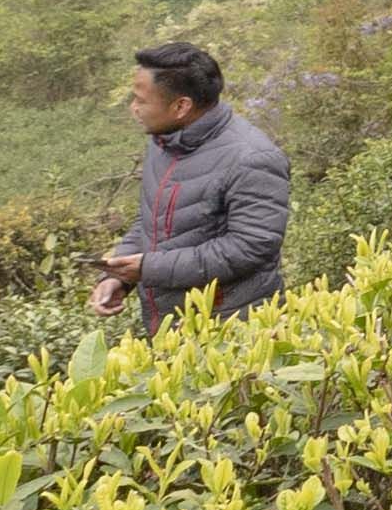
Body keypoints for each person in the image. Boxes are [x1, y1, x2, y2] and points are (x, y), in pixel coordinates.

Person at [91, 39, 291, 328]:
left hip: (230, 330)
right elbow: (149, 218)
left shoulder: (253, 158)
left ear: (181, 106)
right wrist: (118, 275)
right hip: (171, 326)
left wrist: (148, 269)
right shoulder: (164, 143)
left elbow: (249, 247)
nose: (133, 109)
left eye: (140, 100)